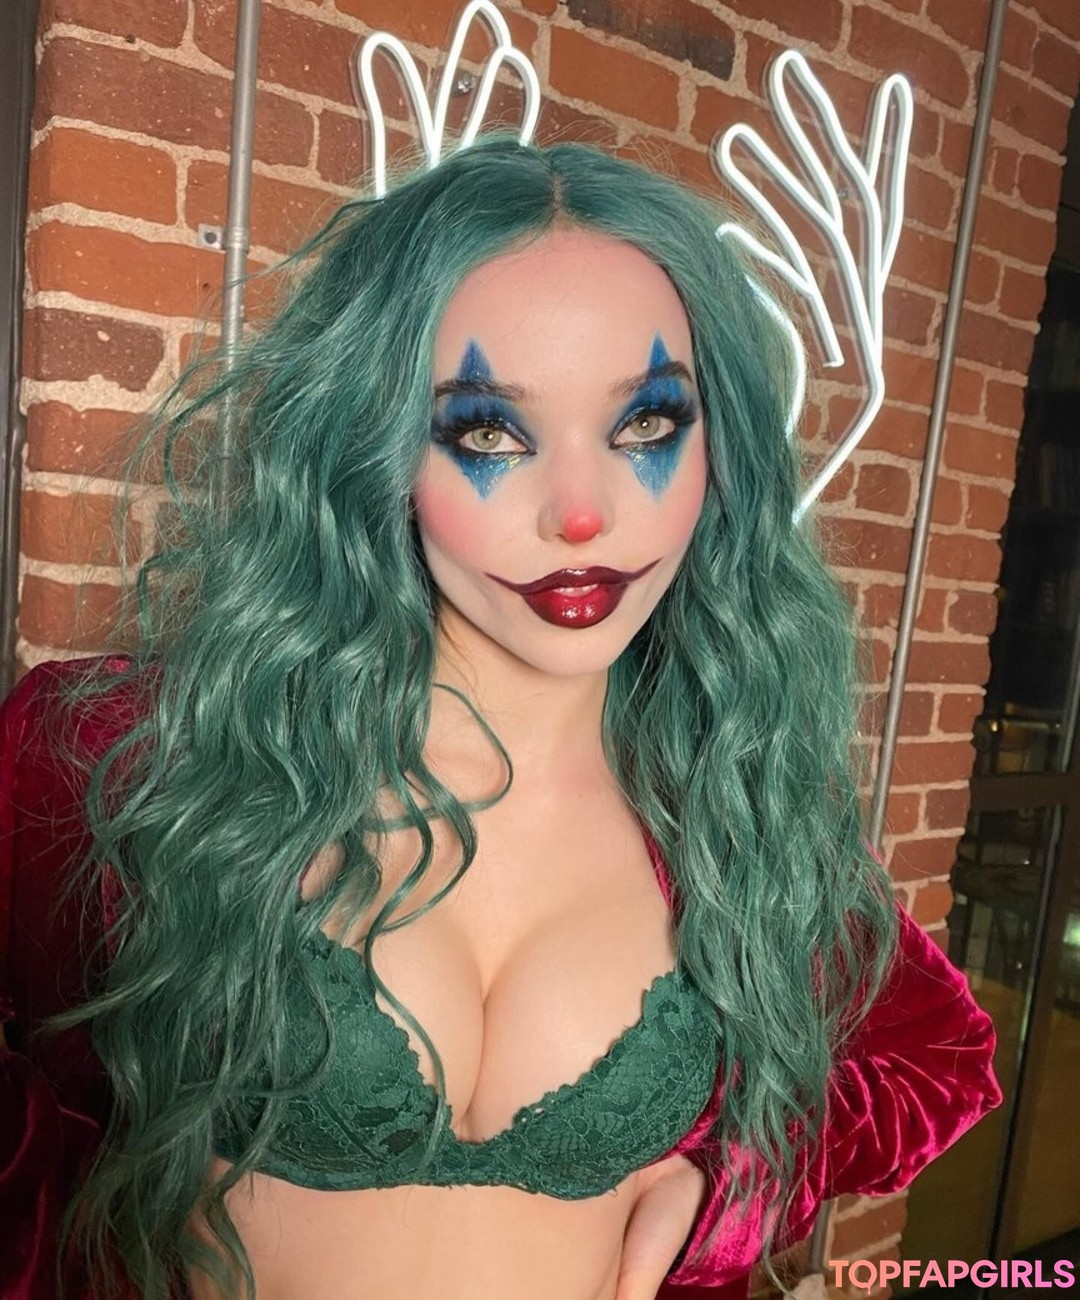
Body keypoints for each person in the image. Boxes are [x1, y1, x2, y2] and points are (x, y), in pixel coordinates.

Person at [0, 137, 1000, 1300]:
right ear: (378, 446)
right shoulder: (121, 760)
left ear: (716, 446)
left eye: (646, 425)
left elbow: (940, 1055)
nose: (580, 513)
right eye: (488, 432)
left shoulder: (734, 810)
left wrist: (728, 1191)